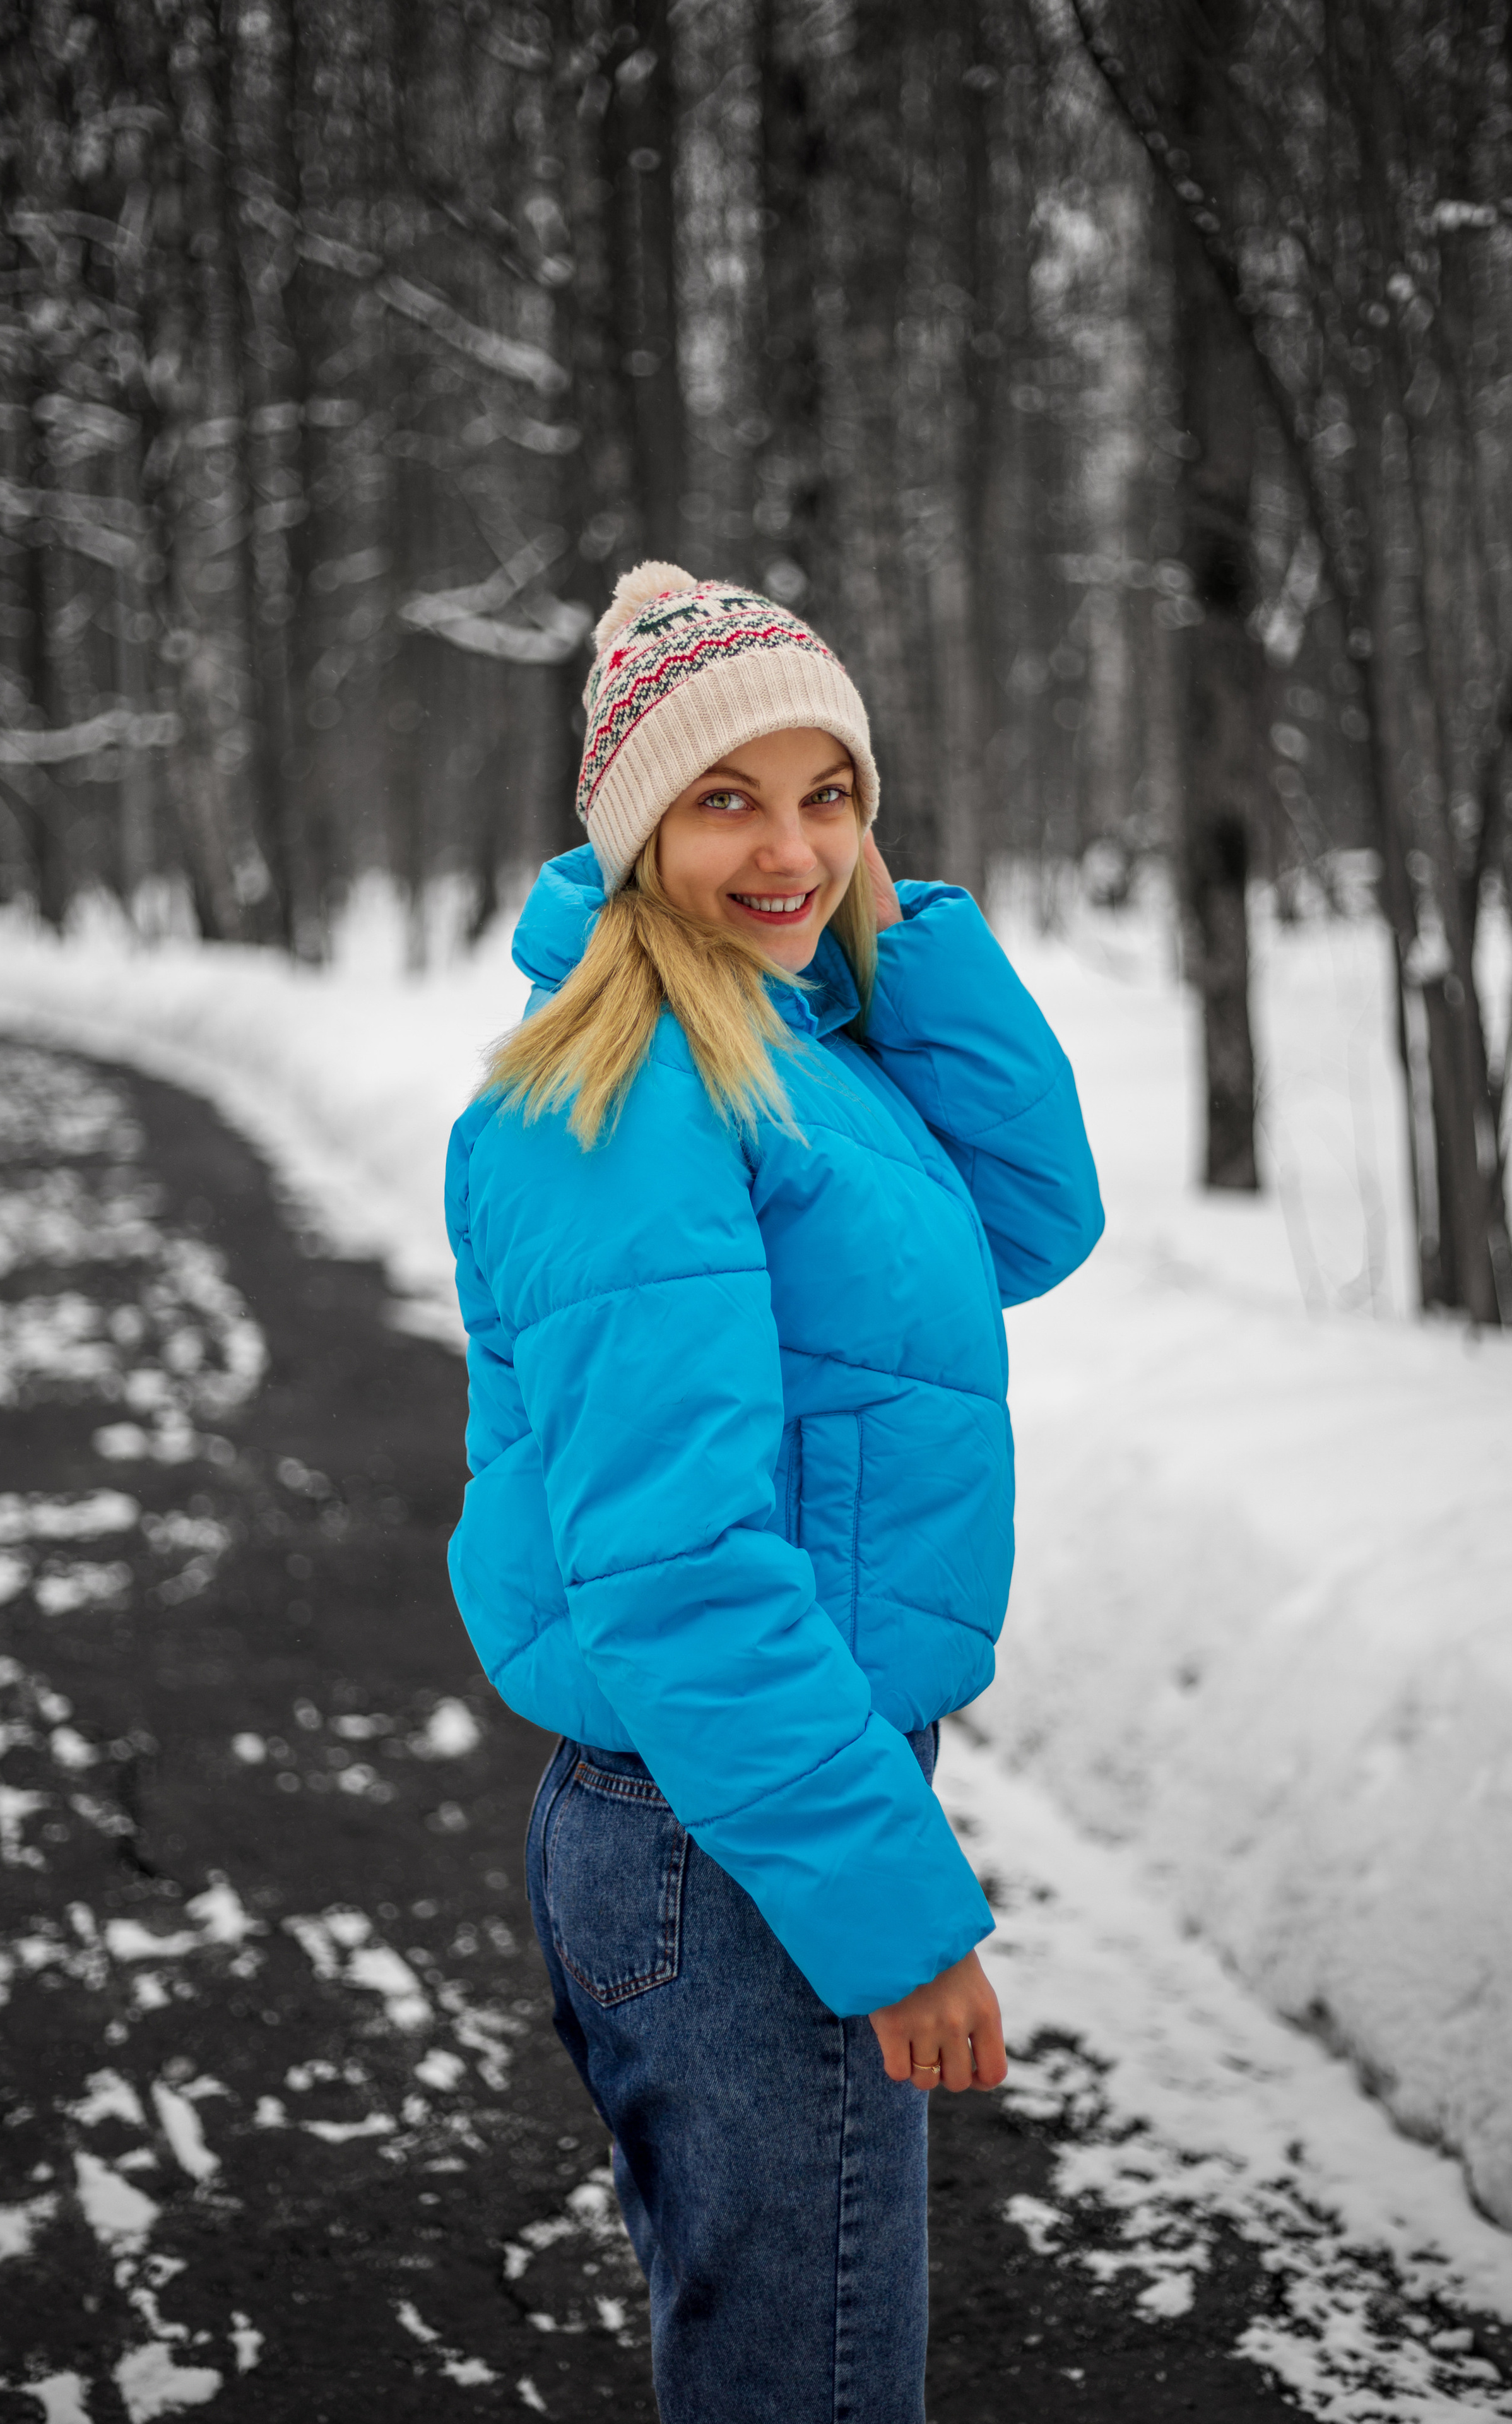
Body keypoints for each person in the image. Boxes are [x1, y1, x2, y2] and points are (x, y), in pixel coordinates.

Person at [444, 564, 1103, 2423]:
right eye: (725, 799)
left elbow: (1033, 1220)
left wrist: (882, 918)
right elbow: (676, 1570)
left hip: (753, 1786)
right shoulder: (627, 1099)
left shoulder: (790, 1043)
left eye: (830, 795)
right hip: (720, 1828)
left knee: (784, 2361)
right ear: (638, 826)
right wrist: (891, 1919)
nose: (789, 846)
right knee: (809, 2384)